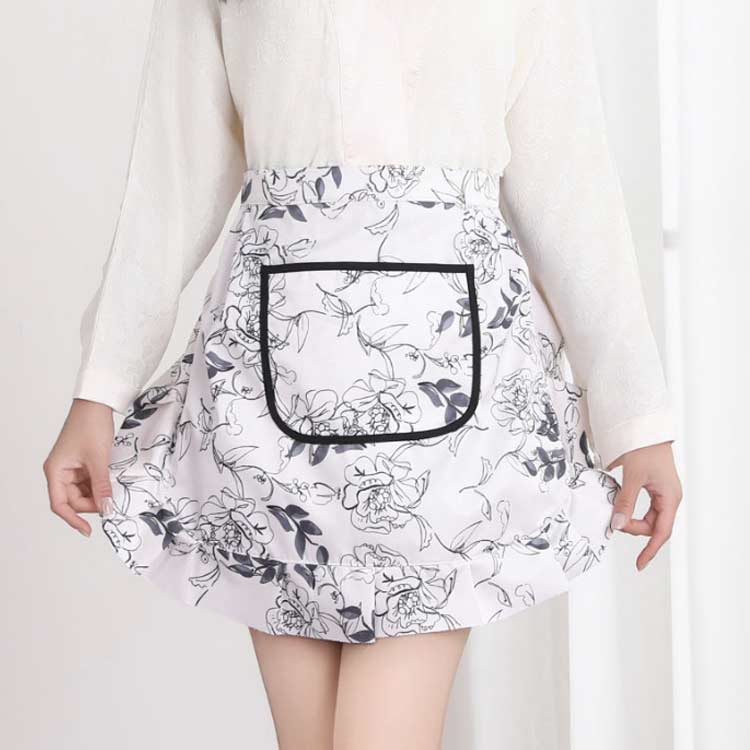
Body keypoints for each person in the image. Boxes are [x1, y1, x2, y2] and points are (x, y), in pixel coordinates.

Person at [42, 1, 683, 748]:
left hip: (452, 423)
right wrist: (100, 389)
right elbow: (170, 179)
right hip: (265, 409)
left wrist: (637, 417)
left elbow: (573, 191)